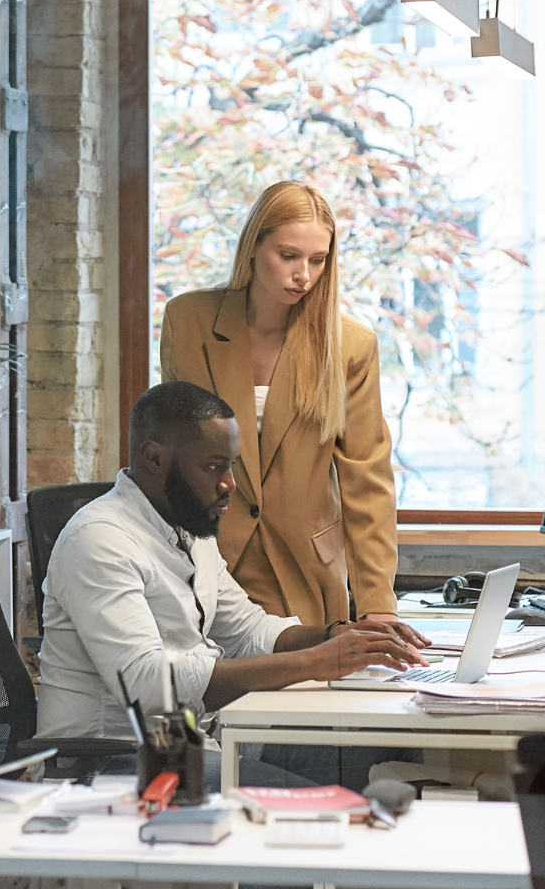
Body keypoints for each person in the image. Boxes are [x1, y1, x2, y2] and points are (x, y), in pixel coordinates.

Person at [37, 381, 425, 889]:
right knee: (323, 814)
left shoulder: (185, 530)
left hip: (180, 739)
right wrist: (310, 665)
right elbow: (152, 686)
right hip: (114, 759)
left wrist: (339, 635)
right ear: (156, 457)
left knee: (356, 761)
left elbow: (244, 627)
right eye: (216, 467)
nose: (230, 484)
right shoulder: (100, 540)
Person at [160, 181, 400, 630]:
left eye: (317, 260)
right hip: (206, 566)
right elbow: (169, 459)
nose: (303, 275)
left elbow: (367, 482)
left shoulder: (350, 346)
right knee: (209, 698)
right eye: (288, 256)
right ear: (253, 248)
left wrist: (377, 604)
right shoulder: (187, 322)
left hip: (305, 574)